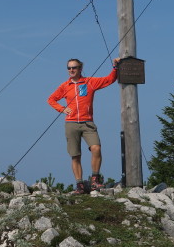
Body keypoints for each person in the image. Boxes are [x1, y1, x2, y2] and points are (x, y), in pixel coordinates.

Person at [47, 57, 121, 194]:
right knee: (75, 156)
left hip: (88, 123)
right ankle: (79, 185)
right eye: (69, 68)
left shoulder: (90, 82)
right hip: (71, 124)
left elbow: (109, 79)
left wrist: (115, 67)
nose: (71, 70)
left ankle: (94, 180)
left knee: (96, 148)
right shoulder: (64, 86)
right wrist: (62, 109)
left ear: (80, 69)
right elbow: (51, 99)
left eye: (74, 67)